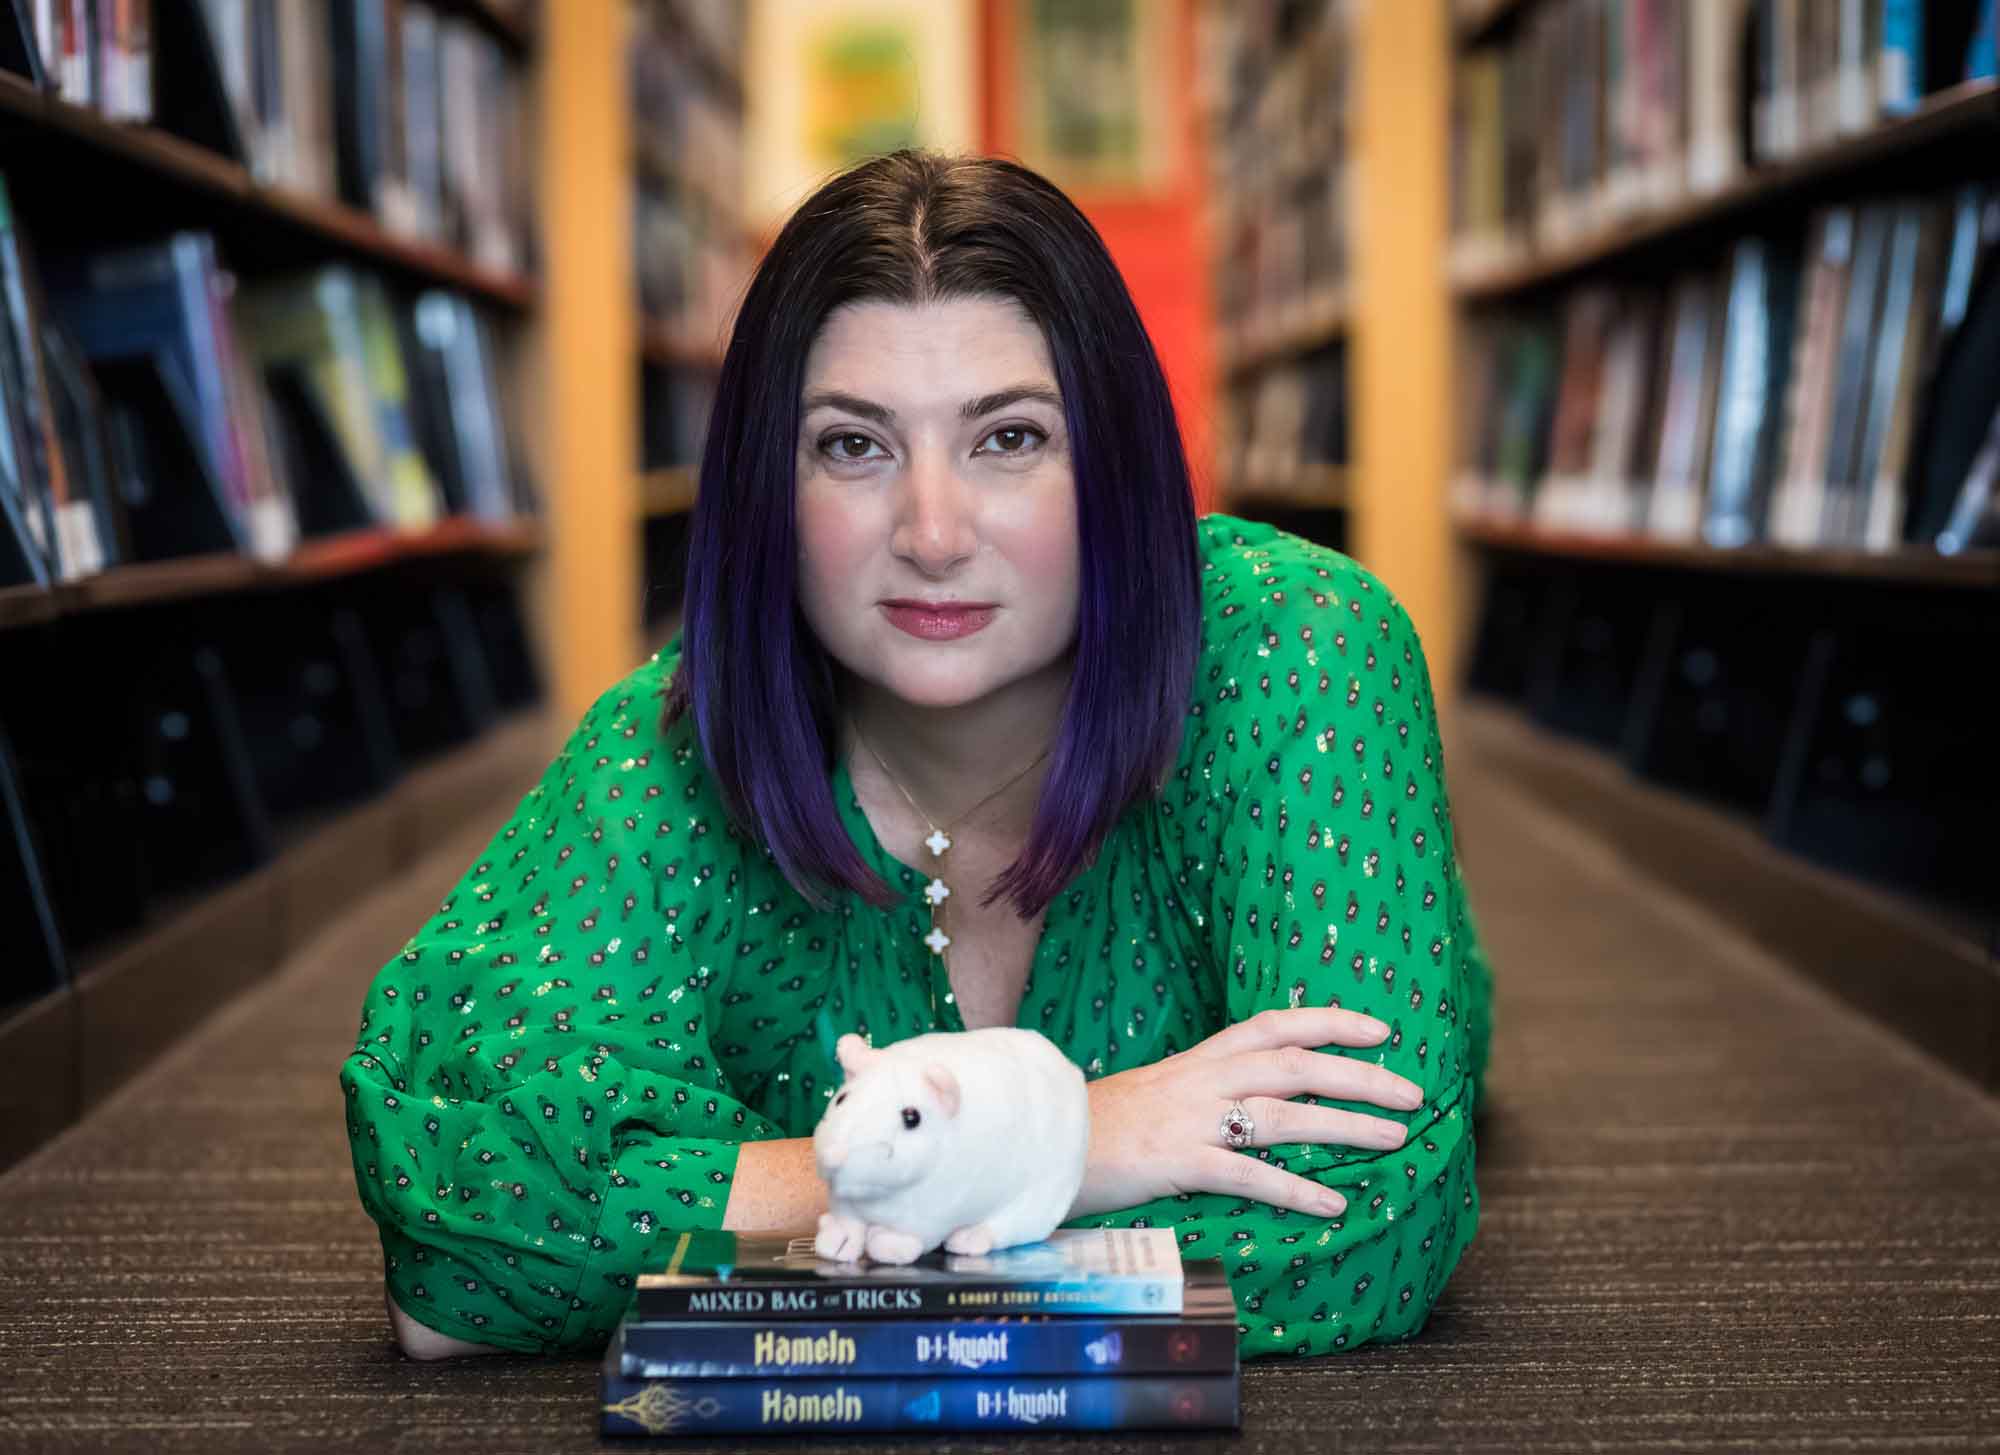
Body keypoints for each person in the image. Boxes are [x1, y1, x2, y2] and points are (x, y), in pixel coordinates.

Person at [341, 149, 1494, 1364]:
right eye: (853, 446)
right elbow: (463, 1243)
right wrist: (1068, 1146)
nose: (933, 534)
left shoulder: (1300, 653)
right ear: (761, 492)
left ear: (1113, 466)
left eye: (1007, 438)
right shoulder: (664, 746)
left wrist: (765, 1224)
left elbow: (1367, 1229)